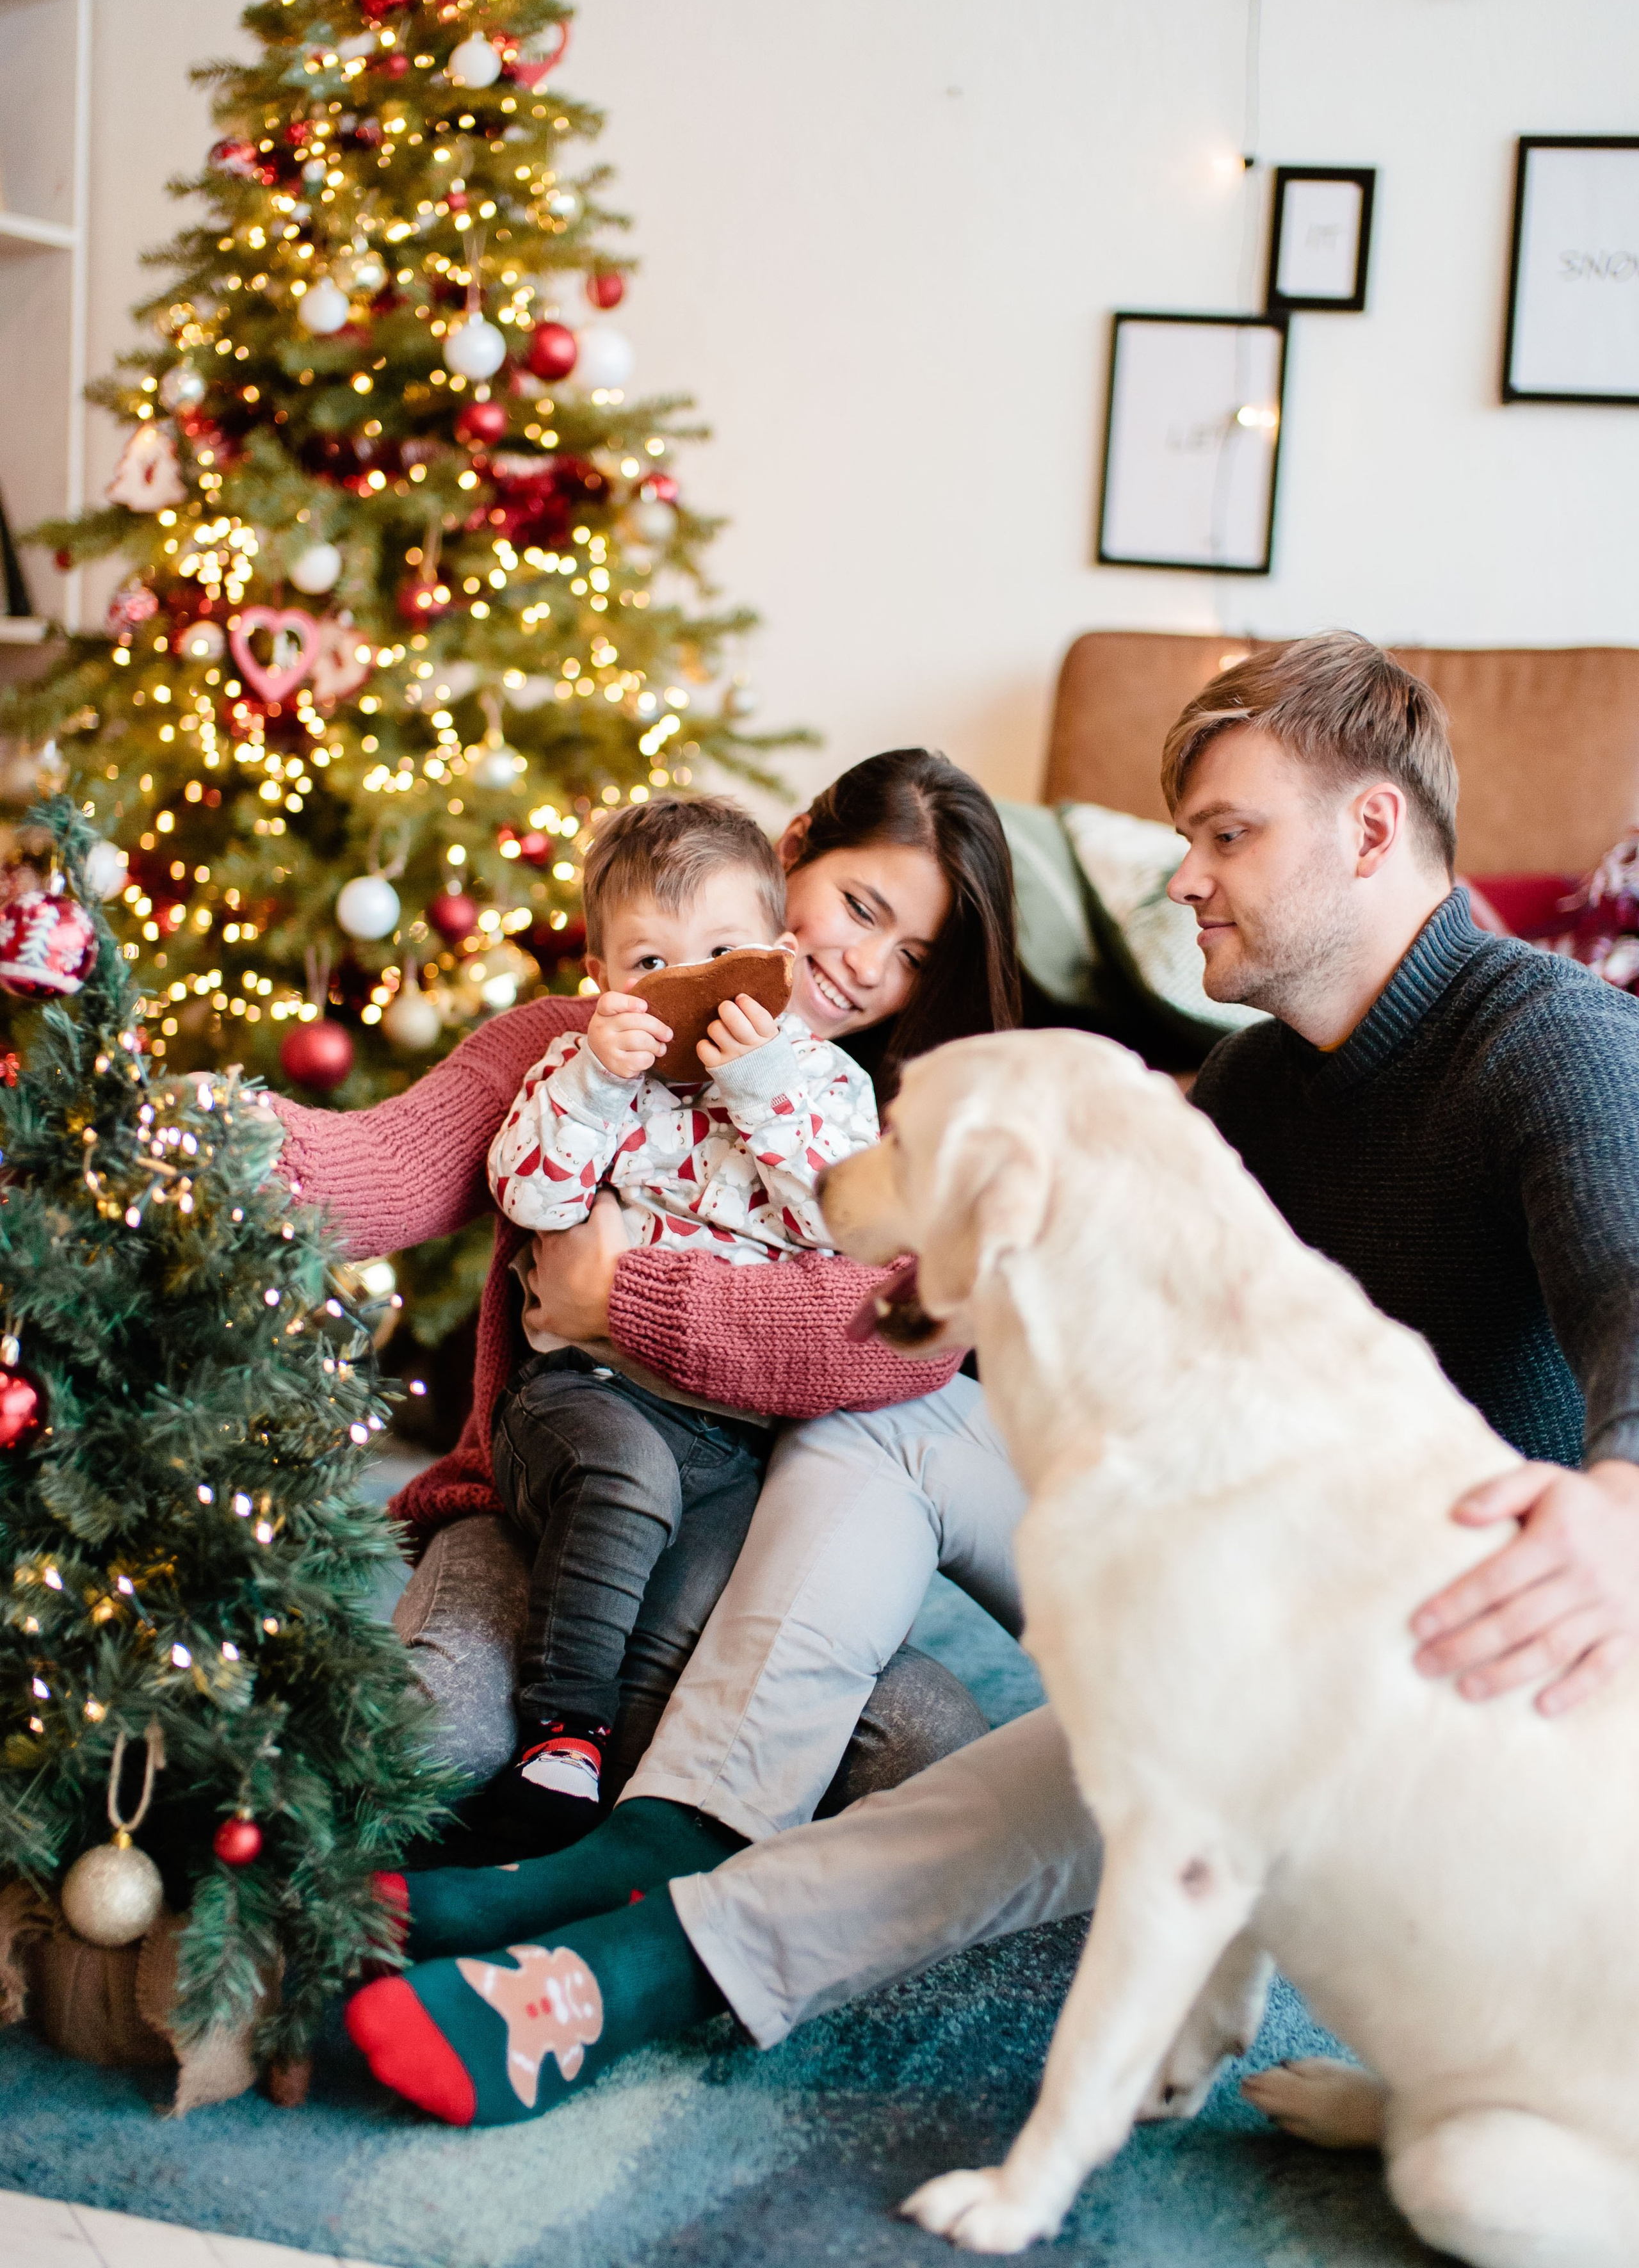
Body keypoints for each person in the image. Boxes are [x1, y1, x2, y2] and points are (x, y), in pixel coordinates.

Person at [346, 632, 1639, 2127]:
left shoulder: (1556, 1044)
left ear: (1367, 831)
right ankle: (671, 1832)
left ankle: (635, 1961)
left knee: (1071, 1749)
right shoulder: (1253, 1086)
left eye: (1225, 835)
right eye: (1182, 841)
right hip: (1258, 1561)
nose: (1184, 879)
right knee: (900, 1414)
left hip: (1442, 1662)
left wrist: (1621, 1496)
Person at [270, 746, 1021, 1810]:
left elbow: (906, 1328)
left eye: (909, 953)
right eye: (858, 906)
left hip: (738, 1519)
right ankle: (557, 1777)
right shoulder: (578, 1046)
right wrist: (214, 1145)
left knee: (930, 1759)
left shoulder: (869, 1106)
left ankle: (600, 1810)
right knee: (425, 1747)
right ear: (790, 852)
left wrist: (618, 1300)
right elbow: (392, 1168)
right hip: (551, 1479)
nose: (862, 966)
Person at [482, 794, 878, 1838]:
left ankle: (615, 1800)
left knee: (709, 1593)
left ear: (781, 959)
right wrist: (596, 1084)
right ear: (605, 982)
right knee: (629, 1479)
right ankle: (559, 1732)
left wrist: (759, 1084)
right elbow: (532, 1198)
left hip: (736, 1436)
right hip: (582, 1396)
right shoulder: (581, 1073)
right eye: (650, 964)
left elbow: (847, 1225)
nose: (687, 982)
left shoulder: (823, 1084)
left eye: (721, 952)